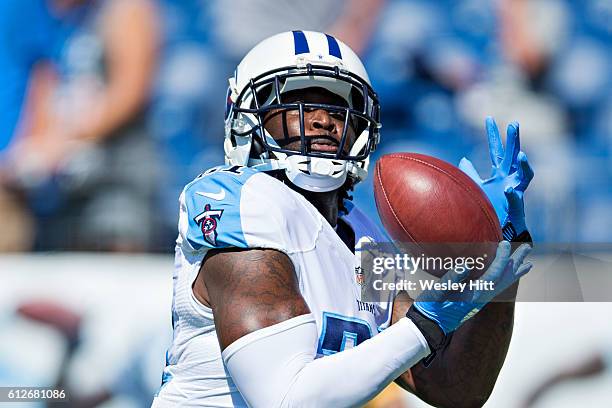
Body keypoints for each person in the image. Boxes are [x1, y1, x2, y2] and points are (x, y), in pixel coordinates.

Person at [152, 30, 535, 408]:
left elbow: (454, 387)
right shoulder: (245, 200)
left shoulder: (361, 235)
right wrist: (423, 325)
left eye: (338, 107)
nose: (322, 119)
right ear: (248, 119)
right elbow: (285, 400)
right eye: (296, 101)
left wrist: (499, 257)